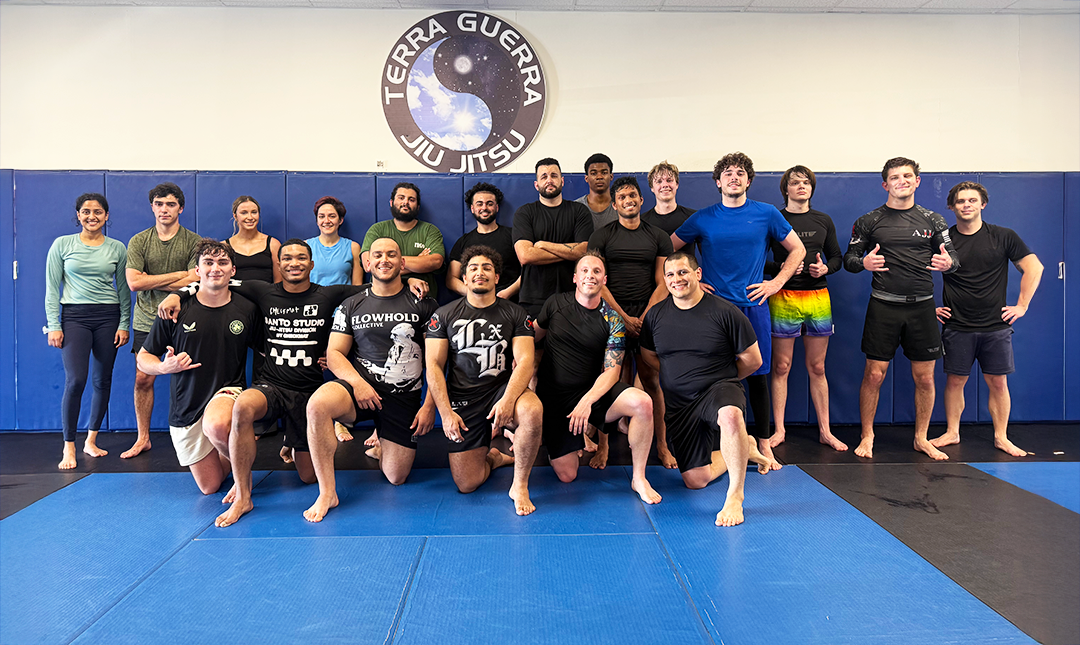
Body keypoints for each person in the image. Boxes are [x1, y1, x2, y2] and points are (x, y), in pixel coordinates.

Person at [158, 239, 378, 527]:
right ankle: (243, 497)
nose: (294, 263)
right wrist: (179, 294)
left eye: (301, 258)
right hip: (271, 386)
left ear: (312, 264)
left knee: (308, 476)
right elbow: (212, 280)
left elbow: (375, 287)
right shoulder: (263, 291)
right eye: (287, 258)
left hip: (308, 393)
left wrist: (410, 282)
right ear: (279, 264)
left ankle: (292, 442)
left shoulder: (328, 294)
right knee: (243, 406)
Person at [672, 152, 806, 471]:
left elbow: (798, 249)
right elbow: (667, 248)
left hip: (754, 305)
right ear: (718, 182)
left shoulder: (767, 213)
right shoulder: (703, 218)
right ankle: (717, 444)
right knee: (712, 376)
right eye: (728, 173)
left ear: (748, 181)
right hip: (714, 310)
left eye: (740, 173)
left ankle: (763, 444)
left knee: (758, 375)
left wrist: (776, 283)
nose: (734, 177)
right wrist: (693, 281)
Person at [302, 238, 438, 523]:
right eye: (377, 255)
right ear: (367, 263)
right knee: (317, 405)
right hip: (360, 389)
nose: (384, 260)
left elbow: (436, 362)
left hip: (402, 398)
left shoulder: (423, 304)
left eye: (391, 254)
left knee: (396, 477)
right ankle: (327, 492)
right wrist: (359, 384)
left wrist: (429, 405)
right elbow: (334, 353)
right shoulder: (352, 304)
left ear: (402, 263)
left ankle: (383, 443)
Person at [843, 157, 960, 460]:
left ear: (917, 181)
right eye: (895, 177)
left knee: (925, 378)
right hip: (883, 307)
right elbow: (849, 260)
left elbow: (954, 258)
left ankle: (921, 438)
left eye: (907, 176)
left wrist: (948, 263)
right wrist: (864, 262)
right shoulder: (869, 220)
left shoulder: (933, 220)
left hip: (922, 309)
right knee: (874, 375)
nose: (902, 181)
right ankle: (867, 435)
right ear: (886, 184)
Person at [639, 253, 763, 527]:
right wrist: (678, 375)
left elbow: (753, 360)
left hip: (718, 389)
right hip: (680, 404)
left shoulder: (725, 312)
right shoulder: (655, 316)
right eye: (670, 274)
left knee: (730, 414)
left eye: (682, 272)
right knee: (696, 480)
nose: (676, 279)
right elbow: (649, 356)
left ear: (697, 274)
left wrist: (722, 378)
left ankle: (735, 496)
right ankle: (746, 446)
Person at [534, 251, 662, 504]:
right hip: (555, 400)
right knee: (568, 475)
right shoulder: (555, 304)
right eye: (584, 271)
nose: (590, 276)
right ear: (575, 278)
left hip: (593, 394)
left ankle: (639, 478)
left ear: (604, 279)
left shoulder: (613, 320)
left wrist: (587, 401)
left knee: (642, 402)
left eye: (596, 271)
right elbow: (532, 337)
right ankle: (560, 443)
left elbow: (612, 371)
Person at [426, 246, 543, 516]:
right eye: (474, 268)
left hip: (501, 390)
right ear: (464, 278)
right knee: (467, 484)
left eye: (487, 268)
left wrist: (508, 400)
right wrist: (445, 413)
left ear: (497, 277)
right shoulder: (443, 315)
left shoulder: (516, 314)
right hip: (463, 399)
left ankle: (519, 486)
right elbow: (433, 366)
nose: (480, 272)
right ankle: (494, 457)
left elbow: (526, 361)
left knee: (532, 409)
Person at [136, 239, 258, 494]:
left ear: (233, 270)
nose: (216, 268)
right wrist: (164, 367)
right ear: (197, 270)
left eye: (223, 262)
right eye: (208, 262)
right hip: (187, 405)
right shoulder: (174, 310)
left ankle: (242, 475)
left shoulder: (247, 308)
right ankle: (235, 450)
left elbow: (266, 350)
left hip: (228, 391)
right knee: (209, 486)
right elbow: (144, 357)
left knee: (217, 425)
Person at [932, 181, 1043, 457]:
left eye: (972, 200)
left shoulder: (1003, 236)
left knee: (998, 382)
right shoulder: (942, 239)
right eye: (960, 201)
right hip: (957, 325)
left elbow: (1034, 267)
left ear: (983, 204)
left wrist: (1022, 305)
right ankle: (952, 432)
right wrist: (928, 308)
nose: (966, 205)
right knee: (955, 382)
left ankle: (1001, 437)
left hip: (995, 327)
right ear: (951, 207)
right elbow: (914, 272)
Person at [586, 176, 675, 469]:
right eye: (622, 197)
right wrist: (623, 318)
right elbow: (597, 281)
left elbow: (663, 281)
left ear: (641, 200)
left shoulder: (658, 236)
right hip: (612, 316)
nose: (628, 201)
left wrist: (645, 316)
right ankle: (604, 447)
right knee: (611, 381)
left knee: (651, 382)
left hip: (649, 317)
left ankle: (662, 446)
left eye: (632, 196)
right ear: (614, 204)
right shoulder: (602, 236)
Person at [46, 193, 131, 469]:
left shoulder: (117, 248)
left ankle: (91, 440)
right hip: (75, 317)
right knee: (76, 380)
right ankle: (68, 446)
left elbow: (124, 290)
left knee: (102, 380)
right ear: (78, 215)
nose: (91, 216)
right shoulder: (62, 245)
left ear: (106, 216)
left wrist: (124, 323)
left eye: (97, 212)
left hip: (108, 317)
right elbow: (52, 289)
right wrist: (54, 325)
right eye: (86, 211)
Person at [765, 166, 846, 451]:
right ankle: (779, 430)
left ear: (812, 188)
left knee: (817, 366)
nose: (801, 186)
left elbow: (837, 258)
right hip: (783, 297)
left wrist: (825, 269)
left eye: (806, 182)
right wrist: (781, 267)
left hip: (817, 297)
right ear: (785, 189)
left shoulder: (823, 220)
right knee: (781, 366)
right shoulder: (776, 219)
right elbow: (758, 260)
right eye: (795, 182)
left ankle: (825, 431)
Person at [124, 182, 201, 460]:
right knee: (143, 377)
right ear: (152, 207)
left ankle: (196, 438)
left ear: (180, 208)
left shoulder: (194, 241)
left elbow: (196, 279)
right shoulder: (139, 241)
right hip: (147, 319)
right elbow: (134, 283)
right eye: (159, 204)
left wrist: (151, 280)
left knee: (190, 378)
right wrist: (179, 275)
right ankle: (143, 438)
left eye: (170, 204)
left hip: (183, 318)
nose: (164, 209)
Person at [513, 157, 594, 319]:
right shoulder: (525, 213)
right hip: (534, 298)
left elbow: (584, 252)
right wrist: (569, 253)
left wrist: (543, 245)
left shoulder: (579, 211)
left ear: (562, 181)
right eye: (544, 177)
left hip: (573, 296)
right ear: (536, 185)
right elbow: (526, 256)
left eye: (554, 175)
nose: (549, 180)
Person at [361, 182, 445, 297]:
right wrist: (418, 260)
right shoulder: (377, 230)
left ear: (418, 206)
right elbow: (369, 265)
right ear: (391, 203)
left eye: (411, 199)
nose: (405, 202)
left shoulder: (429, 230)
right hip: (383, 297)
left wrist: (387, 265)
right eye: (401, 198)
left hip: (421, 298)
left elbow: (435, 262)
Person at [447, 182, 521, 301]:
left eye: (489, 204)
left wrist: (507, 293)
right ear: (472, 208)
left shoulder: (514, 236)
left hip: (509, 301)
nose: (484, 208)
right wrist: (473, 293)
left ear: (497, 208)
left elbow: (528, 271)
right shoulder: (463, 242)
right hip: (475, 304)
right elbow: (451, 279)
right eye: (479, 204)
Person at [307, 196, 363, 287]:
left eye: (332, 216)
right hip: (313, 296)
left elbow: (357, 286)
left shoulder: (353, 247)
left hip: (344, 296)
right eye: (321, 216)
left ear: (340, 220)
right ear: (317, 221)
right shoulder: (305, 247)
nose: (326, 221)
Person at [227, 195, 281, 283]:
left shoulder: (273, 244)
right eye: (244, 213)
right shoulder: (225, 246)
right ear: (235, 216)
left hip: (266, 292)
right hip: (234, 292)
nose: (250, 217)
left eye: (254, 212)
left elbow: (279, 282)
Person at [641, 161, 696, 238]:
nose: (665, 185)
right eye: (659, 181)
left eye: (669, 180)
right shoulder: (642, 223)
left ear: (677, 184)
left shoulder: (693, 218)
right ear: (652, 188)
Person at [574, 153, 618, 230]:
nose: (599, 177)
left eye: (604, 173)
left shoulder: (620, 205)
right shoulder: (576, 207)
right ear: (586, 178)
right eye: (594, 173)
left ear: (611, 176)